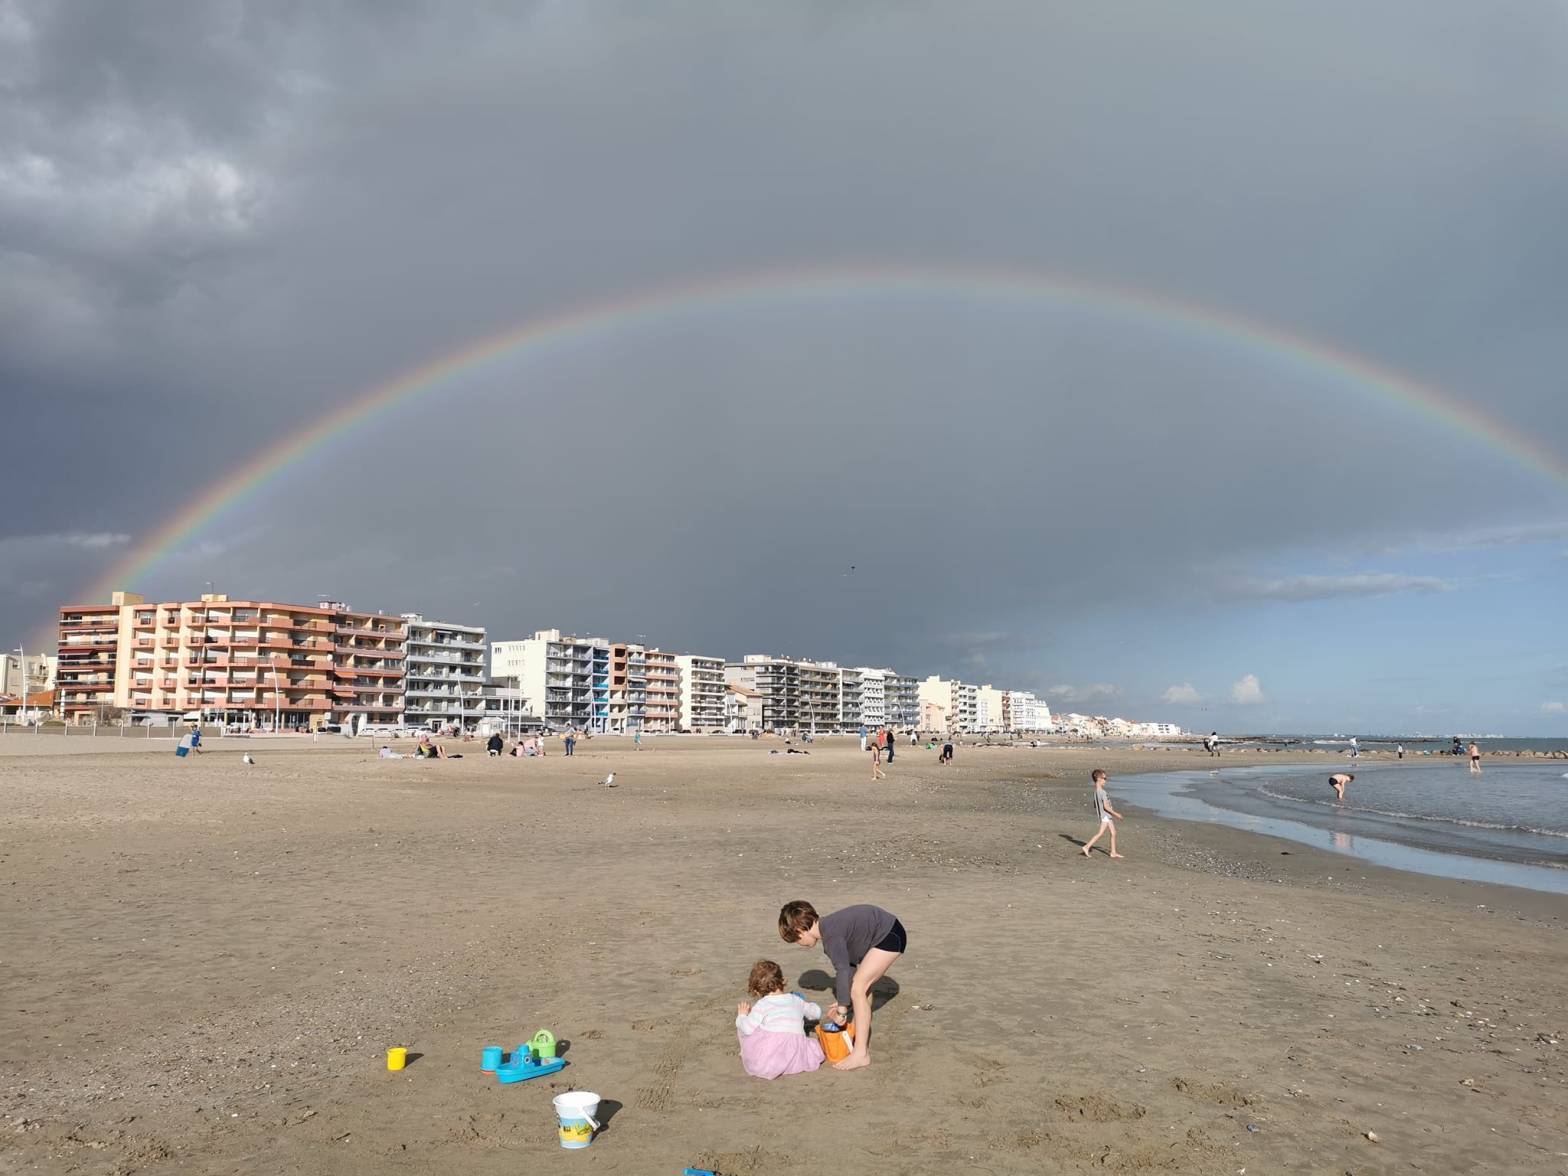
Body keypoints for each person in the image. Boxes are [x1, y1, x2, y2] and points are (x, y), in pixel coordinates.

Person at [779, 900, 905, 1071]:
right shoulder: (830, 929)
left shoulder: (831, 936)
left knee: (858, 988)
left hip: (889, 934)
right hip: (886, 930)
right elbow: (850, 965)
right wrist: (844, 1001)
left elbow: (843, 970)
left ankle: (861, 1054)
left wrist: (842, 1010)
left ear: (799, 931)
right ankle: (859, 1039)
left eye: (795, 940)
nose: (799, 944)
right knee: (860, 988)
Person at [735, 959, 825, 1080]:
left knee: (744, 1026)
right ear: (782, 980)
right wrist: (805, 1004)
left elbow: (746, 1029)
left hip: (770, 1058)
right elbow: (816, 1013)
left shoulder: (763, 1004)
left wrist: (742, 1015)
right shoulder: (795, 1000)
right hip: (797, 1056)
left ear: (757, 991)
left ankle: (745, 1052)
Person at [1080, 769, 1125, 858]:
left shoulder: (1096, 791)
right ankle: (1086, 847)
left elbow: (1096, 804)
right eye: (1104, 778)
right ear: (1098, 779)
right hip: (1105, 816)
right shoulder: (1102, 792)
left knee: (1113, 833)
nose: (1106, 780)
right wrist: (1116, 814)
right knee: (1100, 833)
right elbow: (1106, 807)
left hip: (1106, 815)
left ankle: (1113, 852)